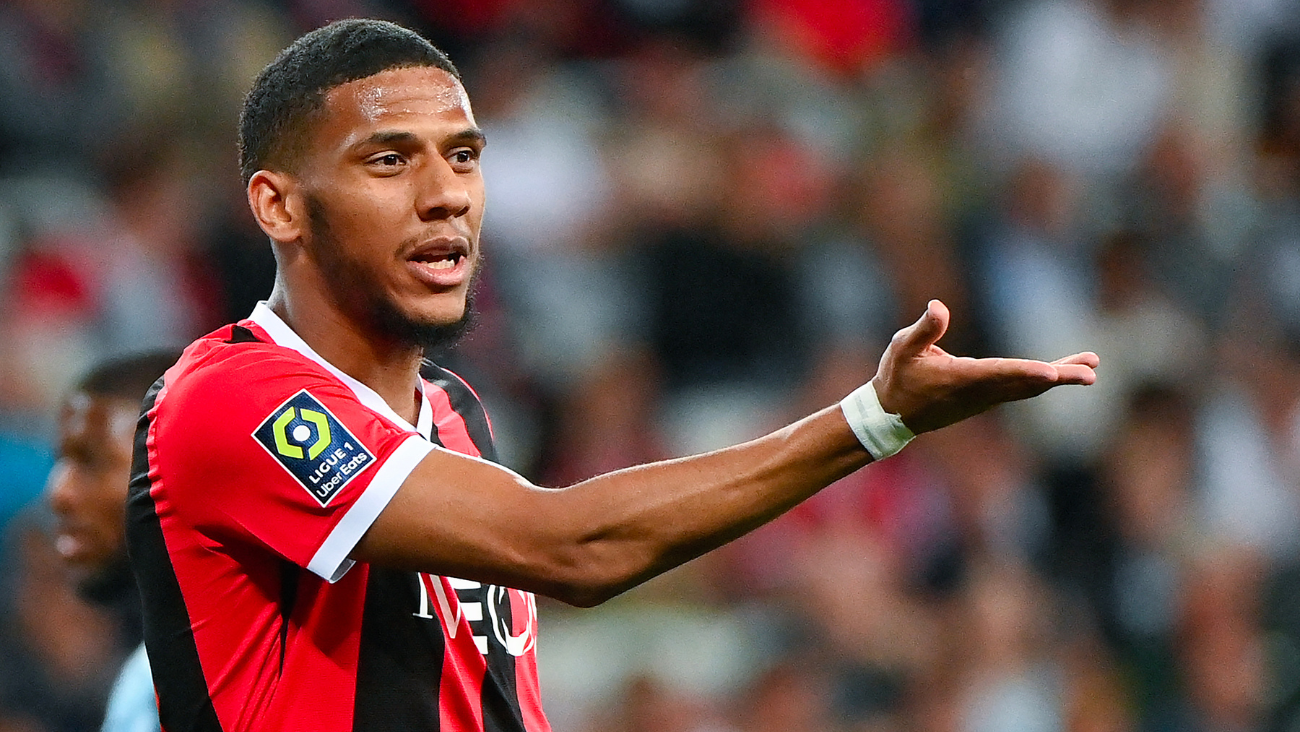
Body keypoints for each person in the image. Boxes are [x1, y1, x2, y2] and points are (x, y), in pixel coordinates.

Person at [124, 18, 1100, 732]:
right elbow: (573, 549)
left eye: (462, 157)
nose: (445, 195)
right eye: (389, 161)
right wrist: (871, 420)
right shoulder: (231, 397)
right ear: (279, 206)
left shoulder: (453, 412)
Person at [46, 351, 179, 732]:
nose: (59, 492)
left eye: (91, 461)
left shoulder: (285, 671)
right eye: (62, 460)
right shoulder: (144, 681)